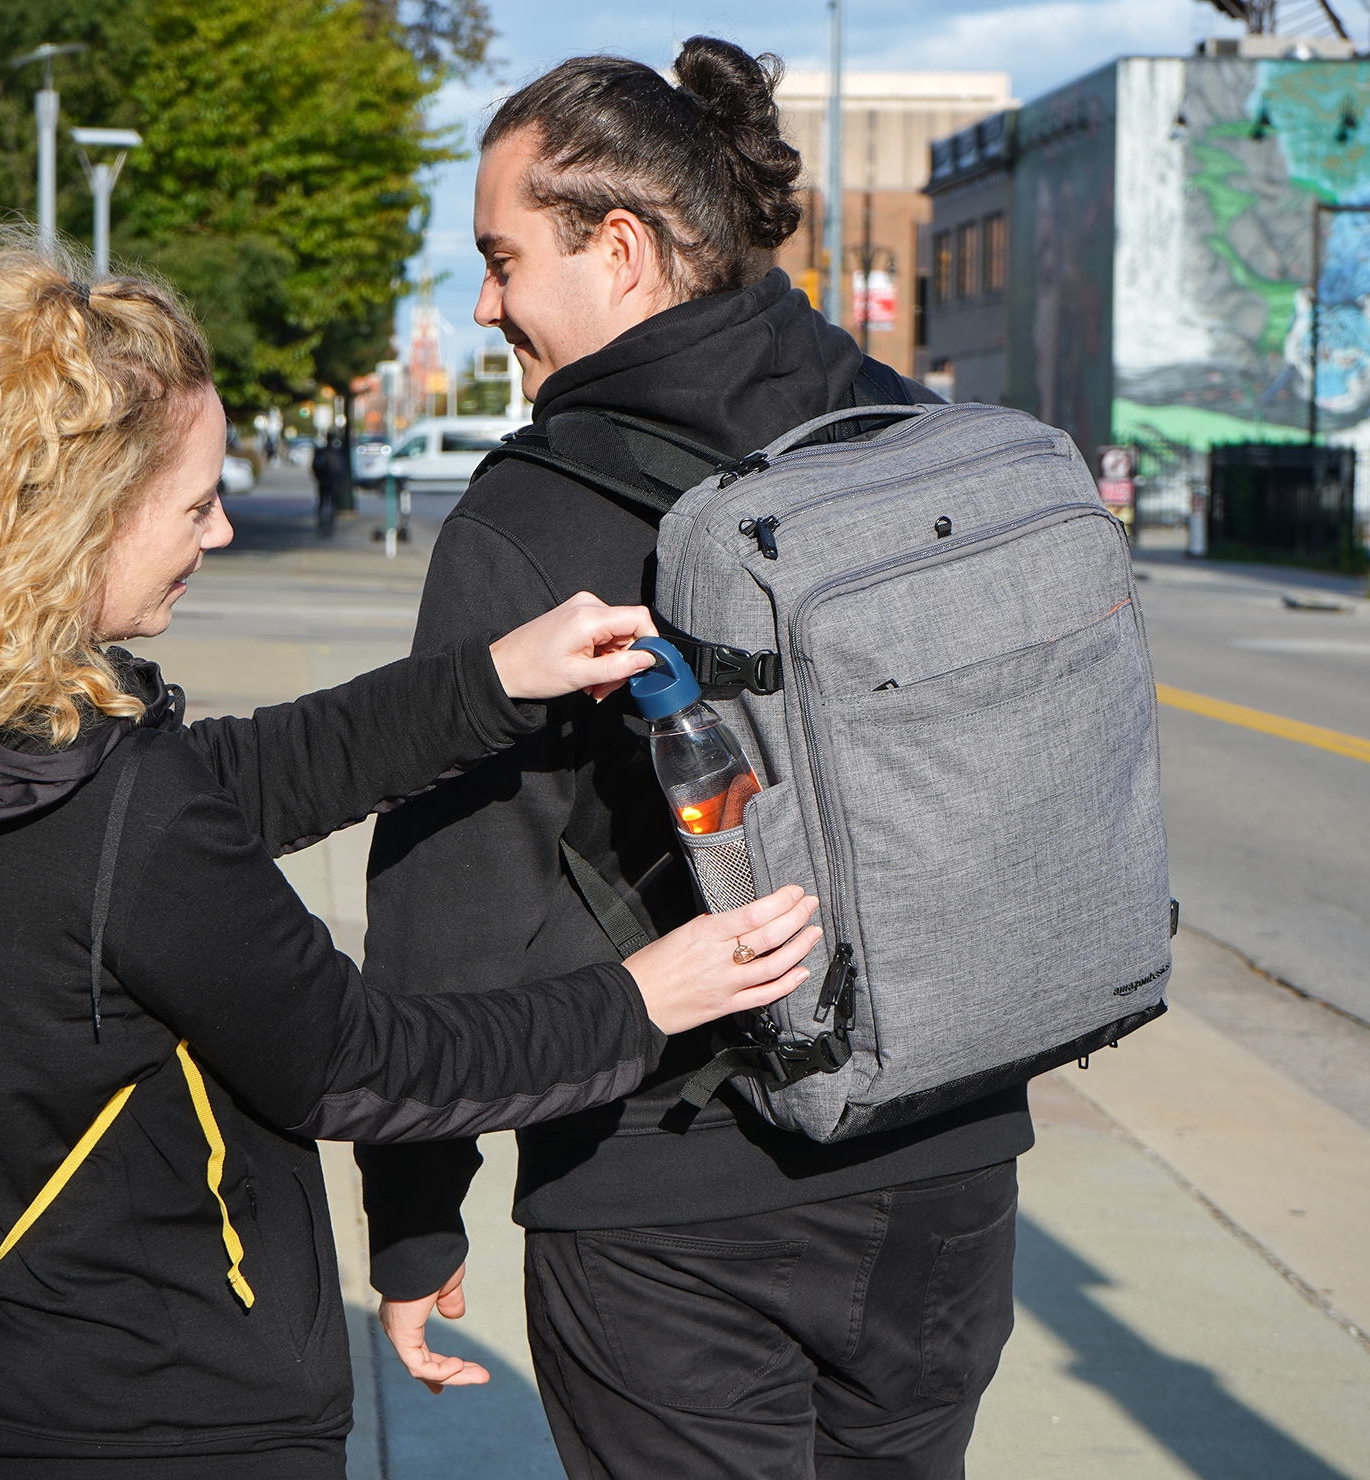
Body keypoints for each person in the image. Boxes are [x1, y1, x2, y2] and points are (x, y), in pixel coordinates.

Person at [0, 229, 827, 1480]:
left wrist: (493, 680)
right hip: (160, 1423)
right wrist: (646, 998)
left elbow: (237, 784)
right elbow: (358, 1061)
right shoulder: (115, 805)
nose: (218, 532)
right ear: (80, 522)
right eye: (194, 502)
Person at [355, 39, 1023, 1480]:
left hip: (666, 1190)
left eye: (502, 259)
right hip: (950, 1170)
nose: (485, 307)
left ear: (618, 248)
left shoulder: (529, 518)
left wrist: (415, 1214)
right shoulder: (907, 432)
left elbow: (450, 906)